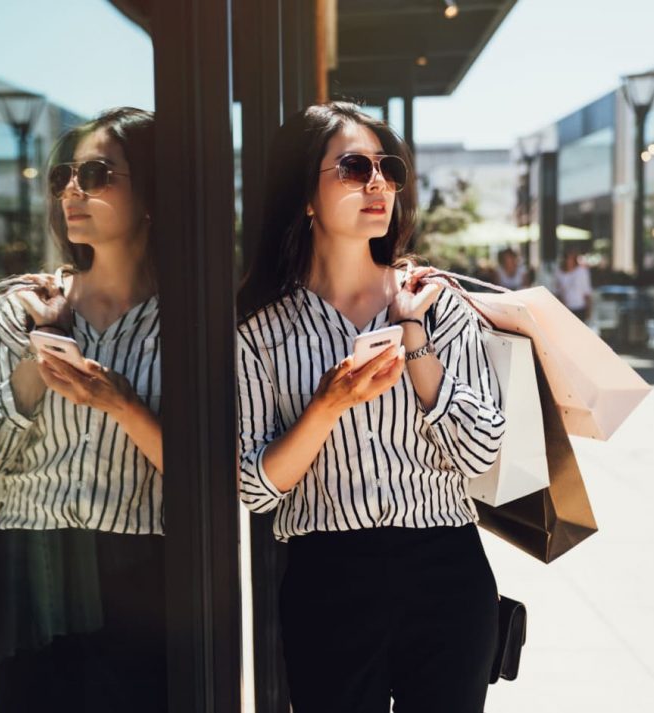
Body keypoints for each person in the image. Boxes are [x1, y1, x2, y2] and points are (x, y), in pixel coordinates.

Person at [236, 102, 505, 713]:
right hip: (329, 578)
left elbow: (480, 449)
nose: (378, 183)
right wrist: (326, 405)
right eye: (354, 168)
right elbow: (254, 488)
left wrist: (414, 339)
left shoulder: (436, 304)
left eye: (388, 168)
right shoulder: (259, 331)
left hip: (447, 566)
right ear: (305, 195)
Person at [0, 108, 166, 713]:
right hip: (24, 571)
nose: (73, 190)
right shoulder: (25, 309)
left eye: (98, 174)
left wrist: (121, 403)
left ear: (150, 192)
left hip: (140, 580)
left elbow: (208, 476)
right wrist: (33, 363)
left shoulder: (190, 319)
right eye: (64, 177)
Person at [554, 247, 594, 321]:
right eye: (567, 258)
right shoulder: (559, 273)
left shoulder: (582, 272)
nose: (568, 261)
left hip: (579, 308)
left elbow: (587, 292)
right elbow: (557, 292)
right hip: (565, 309)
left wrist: (589, 310)